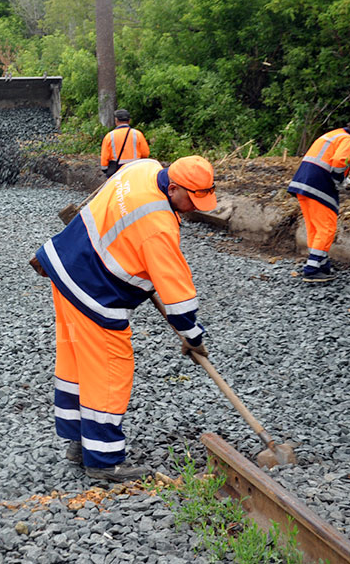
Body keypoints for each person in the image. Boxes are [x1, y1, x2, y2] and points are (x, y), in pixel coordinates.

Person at [30, 156, 216, 482]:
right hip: (93, 293)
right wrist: (193, 336)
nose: (196, 207)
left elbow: (97, 203)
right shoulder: (158, 226)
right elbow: (178, 296)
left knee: (77, 364)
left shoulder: (141, 168)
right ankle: (103, 460)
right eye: (192, 199)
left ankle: (79, 443)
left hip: (64, 269)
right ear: (172, 187)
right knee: (110, 370)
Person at [287, 117, 350, 282]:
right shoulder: (348, 139)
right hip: (319, 186)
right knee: (327, 228)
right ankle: (312, 268)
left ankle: (322, 263)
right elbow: (339, 161)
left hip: (303, 184)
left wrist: (343, 179)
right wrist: (339, 181)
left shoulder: (334, 134)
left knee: (314, 228)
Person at [99, 109, 150, 178]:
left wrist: (105, 170)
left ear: (116, 120)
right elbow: (145, 153)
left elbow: (105, 157)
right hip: (135, 168)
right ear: (129, 121)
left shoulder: (109, 136)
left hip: (117, 170)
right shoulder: (137, 134)